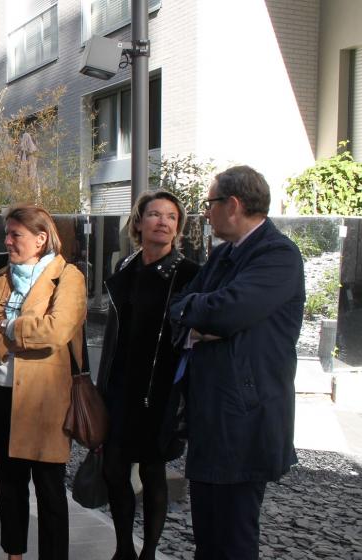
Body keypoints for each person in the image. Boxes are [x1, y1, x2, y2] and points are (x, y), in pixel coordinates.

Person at [169, 166, 304, 559]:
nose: (206, 213)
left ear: (233, 205)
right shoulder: (225, 254)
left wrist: (205, 319)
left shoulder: (277, 255)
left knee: (234, 540)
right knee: (208, 538)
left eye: (210, 204)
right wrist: (199, 322)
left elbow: (224, 312)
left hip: (246, 420)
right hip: (212, 416)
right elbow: (182, 305)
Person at [0, 204, 86, 560]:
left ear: (40, 239)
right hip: (2, 396)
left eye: (15, 234)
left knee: (50, 490)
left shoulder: (68, 278)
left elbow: (56, 330)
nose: (7, 241)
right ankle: (13, 553)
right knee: (9, 486)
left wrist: (6, 326)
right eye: (6, 233)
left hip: (46, 401)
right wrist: (14, 343)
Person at [95, 191, 200, 560]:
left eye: (171, 216)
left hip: (162, 388)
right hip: (122, 386)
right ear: (138, 222)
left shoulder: (189, 274)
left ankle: (149, 553)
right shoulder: (126, 266)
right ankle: (124, 546)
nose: (163, 222)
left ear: (178, 227)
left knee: (154, 471)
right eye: (154, 214)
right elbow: (113, 334)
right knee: (113, 469)